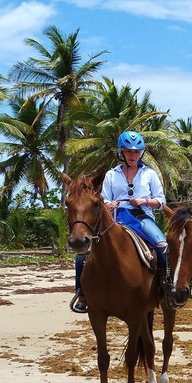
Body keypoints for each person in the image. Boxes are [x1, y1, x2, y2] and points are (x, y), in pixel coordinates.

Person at [72, 131, 170, 313]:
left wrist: (145, 201)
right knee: (83, 255)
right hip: (115, 218)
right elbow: (103, 199)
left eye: (136, 152)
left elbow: (160, 201)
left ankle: (165, 287)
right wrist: (108, 203)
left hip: (142, 217)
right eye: (128, 152)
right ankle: (82, 294)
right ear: (121, 153)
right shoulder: (111, 174)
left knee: (162, 245)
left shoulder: (150, 174)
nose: (132, 155)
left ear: (141, 153)